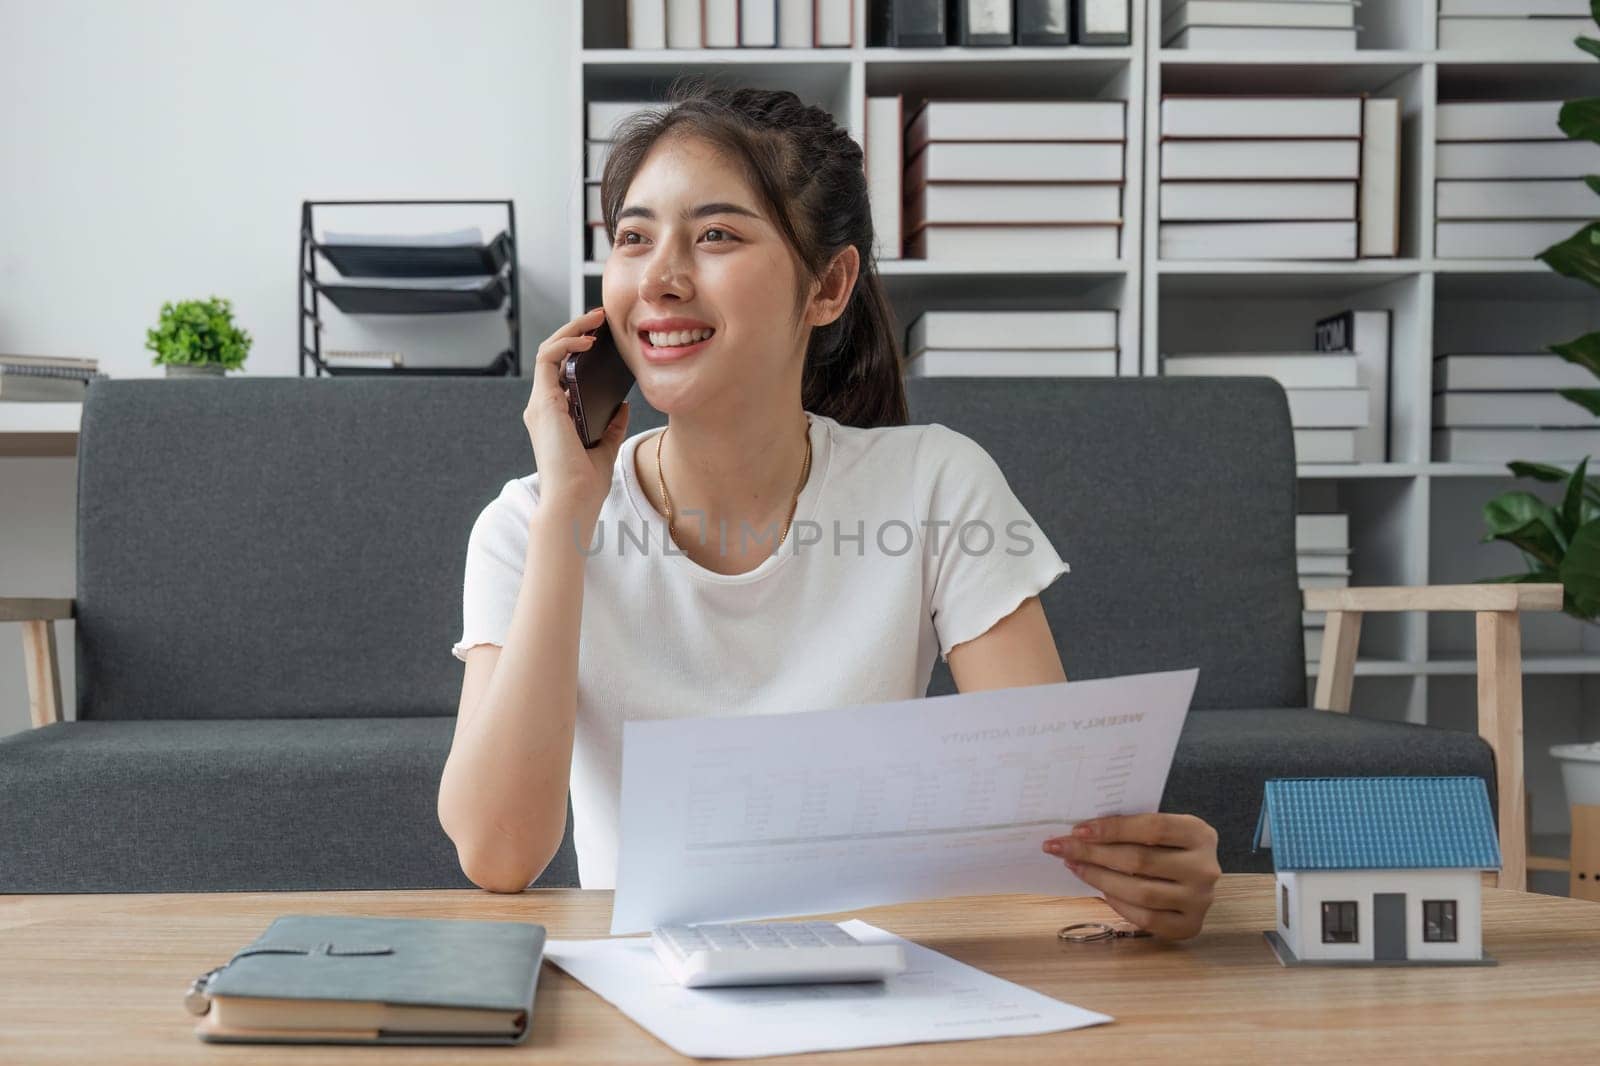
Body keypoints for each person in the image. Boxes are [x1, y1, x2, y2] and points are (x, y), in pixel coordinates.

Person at [437, 79, 1221, 940]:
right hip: (644, 991)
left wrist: (1149, 874)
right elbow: (498, 854)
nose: (659, 278)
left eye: (716, 236)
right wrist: (569, 518)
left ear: (828, 286)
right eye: (633, 238)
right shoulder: (525, 525)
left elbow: (1062, 828)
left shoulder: (935, 484)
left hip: (879, 983)